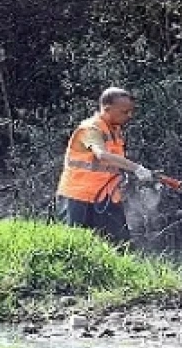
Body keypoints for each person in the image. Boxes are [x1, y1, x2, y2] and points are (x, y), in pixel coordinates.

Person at [56, 87, 159, 243]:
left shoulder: (115, 131)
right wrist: (136, 168)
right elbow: (102, 155)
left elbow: (111, 166)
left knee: (121, 247)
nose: (129, 116)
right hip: (78, 198)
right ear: (107, 108)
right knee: (75, 247)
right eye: (125, 112)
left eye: (131, 111)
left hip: (107, 198)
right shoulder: (90, 129)